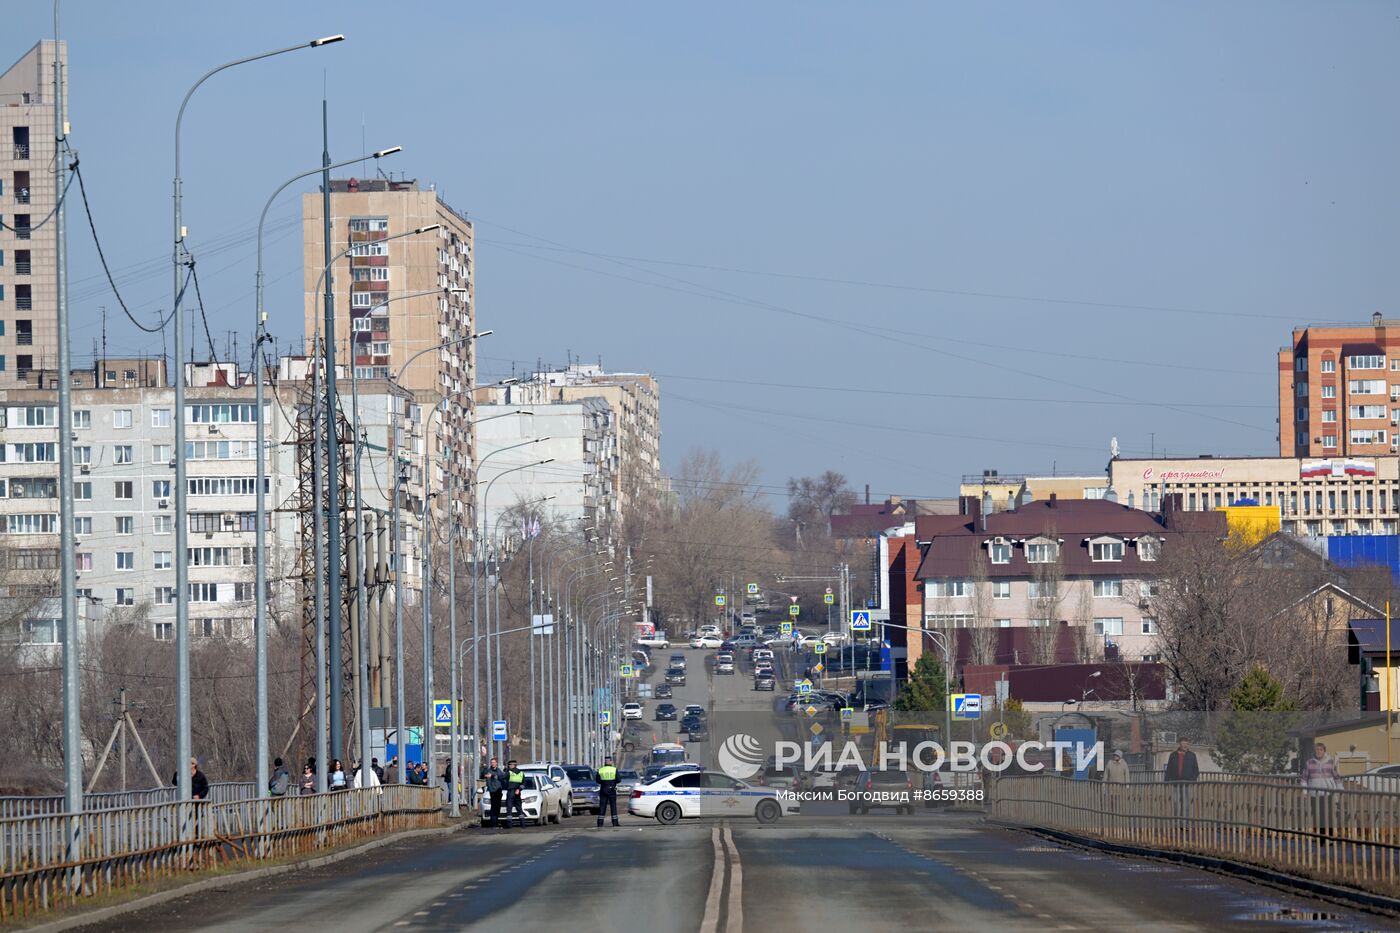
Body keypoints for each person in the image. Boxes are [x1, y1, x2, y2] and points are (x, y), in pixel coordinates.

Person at [1301, 741, 1343, 841]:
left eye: (1320, 750)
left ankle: (1330, 835)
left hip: (1328, 793)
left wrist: (1340, 790)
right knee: (1317, 815)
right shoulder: (1309, 762)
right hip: (1314, 793)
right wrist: (1304, 791)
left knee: (1329, 814)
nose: (1318, 752)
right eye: (1316, 750)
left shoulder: (1331, 762)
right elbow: (1304, 778)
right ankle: (1321, 836)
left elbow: (1336, 777)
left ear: (1324, 751)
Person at [1163, 738, 1199, 822]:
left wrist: (1192, 780)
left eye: (1187, 743)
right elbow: (1169, 769)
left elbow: (1196, 770)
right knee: (1175, 802)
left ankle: (1185, 821)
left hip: (1187, 783)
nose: (1185, 745)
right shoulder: (1173, 755)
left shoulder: (1192, 755)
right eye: (1183, 743)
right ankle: (1176, 819)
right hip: (1175, 782)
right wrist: (1166, 781)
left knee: (1186, 803)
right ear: (1180, 744)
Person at [481, 757, 507, 828]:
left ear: (496, 763)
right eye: (491, 762)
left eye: (494, 762)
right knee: (493, 807)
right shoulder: (488, 771)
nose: (492, 764)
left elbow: (501, 778)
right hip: (493, 792)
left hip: (499, 791)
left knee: (498, 807)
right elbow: (486, 778)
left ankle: (497, 821)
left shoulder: (499, 771)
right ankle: (493, 824)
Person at [595, 755, 620, 828]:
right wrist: (613, 783)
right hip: (612, 789)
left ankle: (600, 823)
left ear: (605, 762)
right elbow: (619, 780)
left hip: (603, 789)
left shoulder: (600, 770)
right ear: (611, 762)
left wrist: (604, 783)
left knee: (602, 806)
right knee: (613, 806)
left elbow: (597, 780)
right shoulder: (614, 769)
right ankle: (615, 823)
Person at [505, 759, 526, 828]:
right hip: (517, 792)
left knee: (509, 808)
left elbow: (501, 777)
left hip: (511, 792)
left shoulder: (509, 772)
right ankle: (523, 824)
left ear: (513, 765)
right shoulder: (521, 773)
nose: (508, 766)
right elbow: (523, 784)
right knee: (519, 808)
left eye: (509, 765)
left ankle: (509, 825)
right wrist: (519, 789)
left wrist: (492, 776)